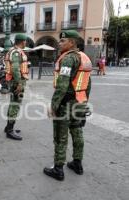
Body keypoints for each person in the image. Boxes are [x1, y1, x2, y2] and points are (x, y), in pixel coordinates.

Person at [44, 30, 92, 181]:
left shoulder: (67, 59)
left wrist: (54, 105)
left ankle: (58, 169)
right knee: (77, 131)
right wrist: (85, 103)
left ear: (72, 43)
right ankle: (77, 163)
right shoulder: (84, 58)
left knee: (60, 135)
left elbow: (62, 85)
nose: (59, 43)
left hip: (66, 103)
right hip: (80, 101)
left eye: (62, 41)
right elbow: (88, 84)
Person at [3, 34, 29, 140]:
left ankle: (8, 127)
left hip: (13, 81)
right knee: (15, 105)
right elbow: (15, 68)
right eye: (25, 41)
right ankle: (10, 130)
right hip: (16, 82)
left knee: (12, 103)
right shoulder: (17, 52)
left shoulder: (12, 51)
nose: (26, 43)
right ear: (22, 41)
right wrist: (19, 83)